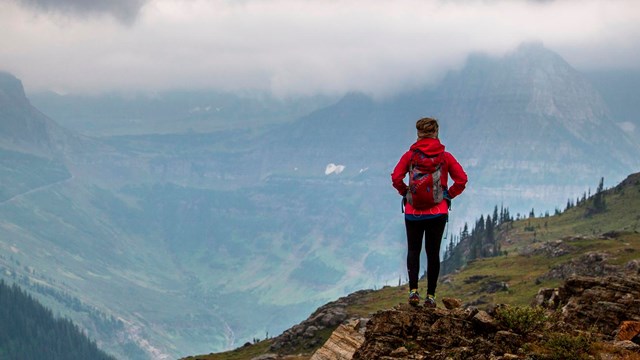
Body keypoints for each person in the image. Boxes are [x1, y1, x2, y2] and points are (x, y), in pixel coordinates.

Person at [391, 117, 468, 307]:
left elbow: (395, 177)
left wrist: (406, 193)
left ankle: (413, 292)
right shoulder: (445, 157)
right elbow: (462, 180)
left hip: (413, 212)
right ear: (436, 132)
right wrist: (448, 195)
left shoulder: (410, 156)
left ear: (418, 134)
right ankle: (431, 297)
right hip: (437, 212)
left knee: (413, 250)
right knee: (432, 253)